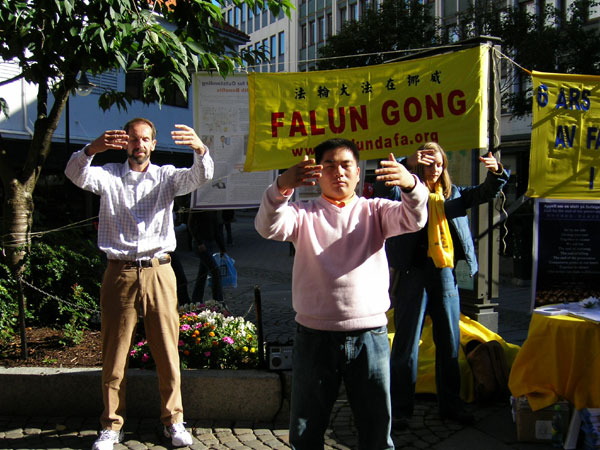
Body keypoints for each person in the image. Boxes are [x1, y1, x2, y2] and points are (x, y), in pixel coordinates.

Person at [254, 138, 429, 450]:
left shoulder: (376, 210)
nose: (339, 172)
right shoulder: (303, 214)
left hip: (370, 336)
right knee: (306, 431)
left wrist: (411, 184)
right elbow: (267, 226)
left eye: (346, 165)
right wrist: (281, 186)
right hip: (314, 336)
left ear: (358, 172)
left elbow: (414, 218)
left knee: (376, 430)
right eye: (329, 165)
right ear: (317, 173)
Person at [65, 118, 214, 450]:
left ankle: (174, 420)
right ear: (125, 143)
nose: (139, 145)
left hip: (159, 271)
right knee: (114, 353)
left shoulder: (166, 176)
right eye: (134, 139)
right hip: (120, 272)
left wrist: (200, 148)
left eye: (145, 139)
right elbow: (75, 173)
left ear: (153, 144)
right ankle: (111, 425)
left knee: (167, 350)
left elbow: (200, 176)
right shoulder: (108, 176)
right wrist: (92, 149)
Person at [383, 142, 509, 430]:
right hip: (413, 272)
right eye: (429, 164)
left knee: (449, 341)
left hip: (444, 272)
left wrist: (497, 172)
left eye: (440, 164)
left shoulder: (453, 194)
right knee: (406, 343)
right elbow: (384, 189)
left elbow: (487, 192)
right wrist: (404, 162)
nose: (435, 169)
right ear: (418, 164)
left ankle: (451, 405)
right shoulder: (404, 192)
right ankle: (400, 410)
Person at [187, 210, 226, 302]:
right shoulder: (197, 207)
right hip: (201, 244)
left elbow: (216, 229)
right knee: (215, 271)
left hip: (209, 242)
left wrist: (222, 247)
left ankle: (196, 299)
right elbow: (191, 225)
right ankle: (218, 300)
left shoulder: (212, 209)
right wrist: (199, 242)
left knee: (203, 273)